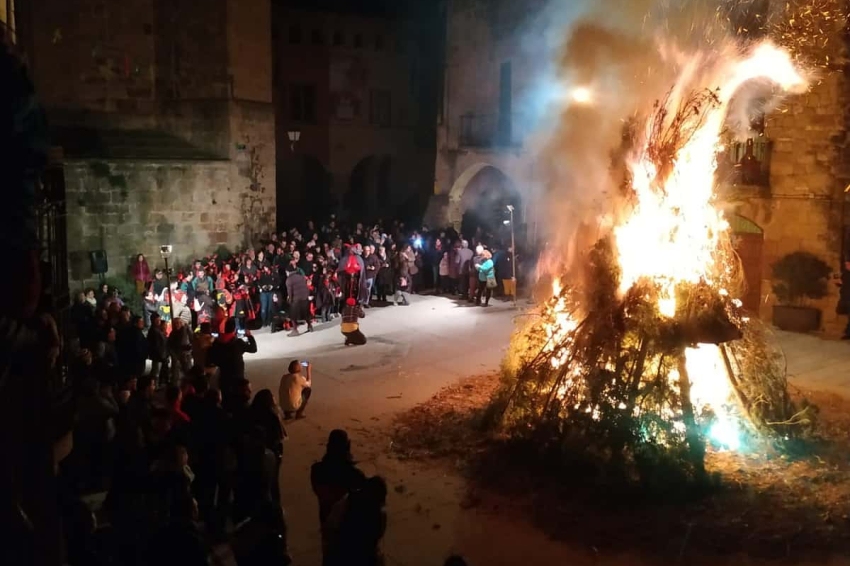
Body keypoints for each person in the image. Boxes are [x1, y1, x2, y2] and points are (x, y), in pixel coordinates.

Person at [311, 430, 366, 566]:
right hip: (347, 525)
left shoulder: (317, 470)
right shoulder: (354, 475)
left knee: (329, 556)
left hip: (326, 520)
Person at [207, 318, 258, 401]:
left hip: (224, 376)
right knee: (239, 399)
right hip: (238, 376)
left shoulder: (217, 343)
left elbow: (212, 358)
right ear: (234, 329)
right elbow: (253, 349)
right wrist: (249, 336)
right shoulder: (238, 343)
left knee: (226, 399)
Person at [285, 268, 313, 336]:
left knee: (293, 315)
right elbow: (306, 286)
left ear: (288, 271)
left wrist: (290, 300)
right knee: (306, 313)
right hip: (304, 297)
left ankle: (295, 330)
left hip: (296, 299)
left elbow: (290, 291)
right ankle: (310, 326)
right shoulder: (301, 277)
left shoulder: (289, 280)